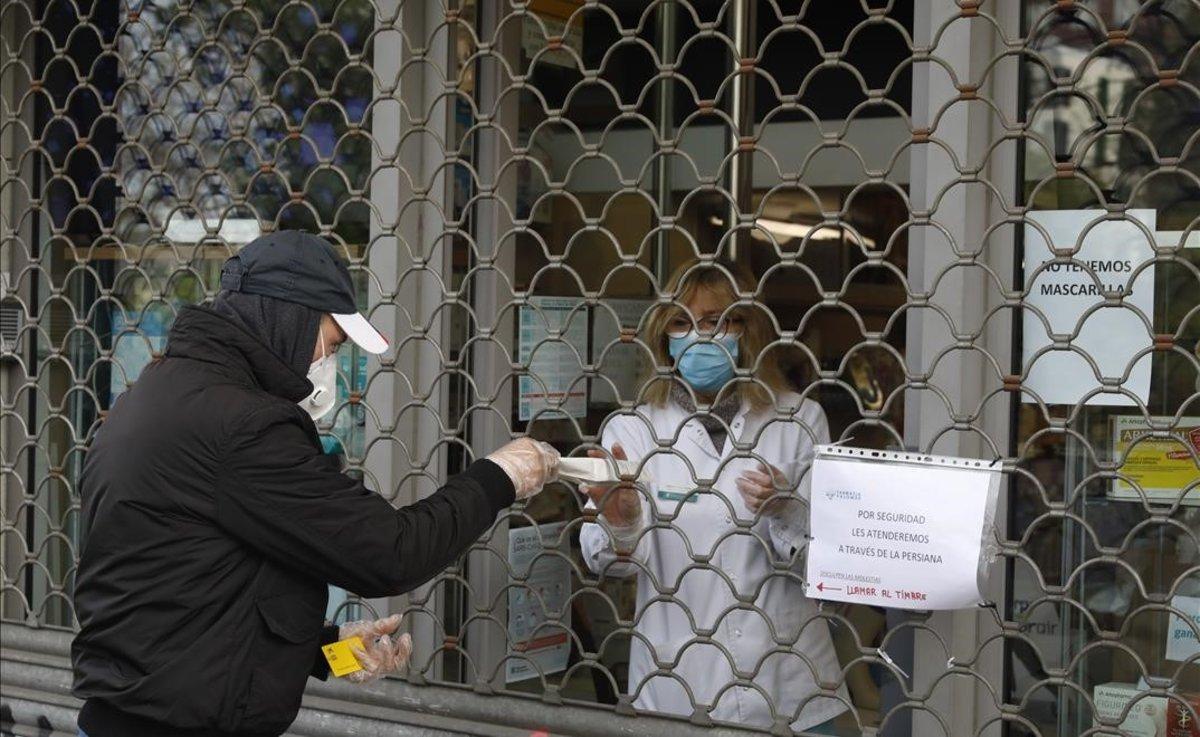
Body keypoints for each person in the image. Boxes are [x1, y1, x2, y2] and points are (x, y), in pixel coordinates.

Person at [71, 231, 559, 737]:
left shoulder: (156, 395)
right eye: (331, 343)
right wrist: (500, 476)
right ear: (288, 317)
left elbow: (185, 594)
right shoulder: (242, 425)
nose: (328, 363)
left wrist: (330, 648)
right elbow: (390, 552)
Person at [579, 260, 850, 734]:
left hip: (789, 686)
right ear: (664, 336)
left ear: (746, 329)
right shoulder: (634, 429)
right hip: (677, 686)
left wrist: (786, 508)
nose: (699, 337)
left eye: (715, 321)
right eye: (682, 322)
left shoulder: (800, 419)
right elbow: (608, 562)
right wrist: (622, 516)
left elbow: (832, 564)